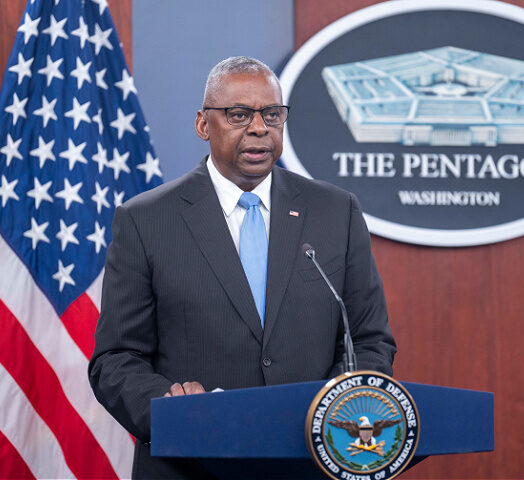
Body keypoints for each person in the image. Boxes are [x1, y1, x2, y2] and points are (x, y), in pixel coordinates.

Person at [89, 56, 396, 479]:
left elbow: (368, 340)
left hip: (311, 462)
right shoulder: (146, 220)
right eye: (238, 115)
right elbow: (116, 358)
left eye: (272, 114)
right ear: (203, 125)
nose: (258, 128)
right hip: (192, 464)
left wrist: (336, 410)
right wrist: (169, 405)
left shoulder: (335, 212)